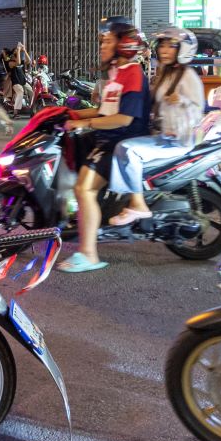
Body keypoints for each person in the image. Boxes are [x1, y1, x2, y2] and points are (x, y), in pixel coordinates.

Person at [58, 19, 150, 273]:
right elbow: (105, 110)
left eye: (108, 41)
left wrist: (84, 124)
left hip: (120, 143)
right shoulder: (116, 73)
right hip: (108, 139)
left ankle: (88, 253)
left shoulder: (132, 73)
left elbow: (123, 118)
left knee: (84, 188)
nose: (102, 46)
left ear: (123, 45)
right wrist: (71, 114)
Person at [108, 27, 203, 224]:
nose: (164, 50)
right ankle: (122, 200)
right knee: (122, 144)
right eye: (162, 46)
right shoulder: (165, 74)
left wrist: (183, 101)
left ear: (183, 49)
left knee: (128, 149)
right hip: (163, 137)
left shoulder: (187, 75)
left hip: (178, 141)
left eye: (171, 46)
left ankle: (138, 204)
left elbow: (198, 112)